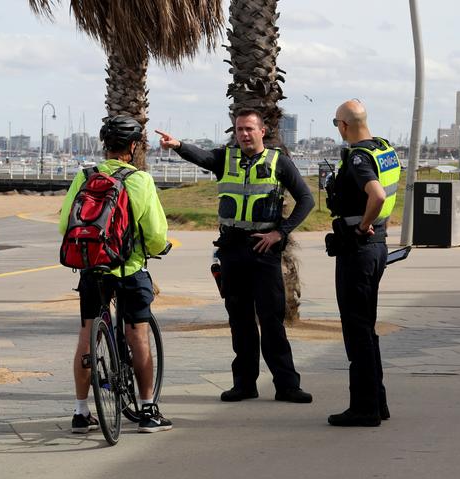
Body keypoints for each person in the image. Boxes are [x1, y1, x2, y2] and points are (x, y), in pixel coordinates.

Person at [156, 108, 314, 404]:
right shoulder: (225, 158)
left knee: (271, 320)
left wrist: (281, 232)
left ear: (262, 131)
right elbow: (201, 157)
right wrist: (177, 145)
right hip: (231, 249)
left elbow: (307, 199)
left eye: (249, 129)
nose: (243, 134)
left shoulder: (280, 162)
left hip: (263, 249)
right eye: (239, 129)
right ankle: (244, 384)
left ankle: (287, 385)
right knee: (240, 320)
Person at [59, 115, 173, 434]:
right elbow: (154, 233)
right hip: (129, 268)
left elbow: (62, 225)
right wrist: (160, 246)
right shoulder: (140, 181)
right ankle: (148, 409)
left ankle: (81, 412)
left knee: (87, 335)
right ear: (134, 146)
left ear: (105, 145)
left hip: (92, 268)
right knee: (138, 333)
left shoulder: (84, 176)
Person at [325, 99, 401, 427]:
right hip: (379, 245)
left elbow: (378, 195)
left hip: (359, 250)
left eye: (336, 123)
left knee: (356, 329)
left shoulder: (358, 156)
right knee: (367, 327)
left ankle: (364, 408)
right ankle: (377, 401)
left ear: (344, 125)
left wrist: (358, 227)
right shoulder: (384, 148)